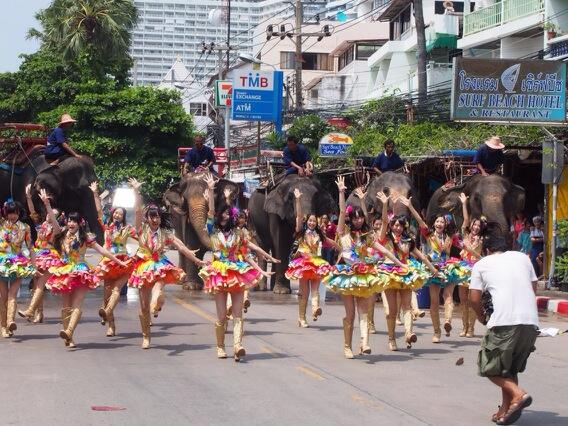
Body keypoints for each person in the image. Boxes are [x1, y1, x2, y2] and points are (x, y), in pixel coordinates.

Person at [199, 174, 279, 361]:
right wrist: (210, 190)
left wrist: (263, 267)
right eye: (223, 214)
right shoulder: (213, 231)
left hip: (236, 271)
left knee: (237, 313)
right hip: (219, 271)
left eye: (229, 213)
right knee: (220, 316)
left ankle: (237, 346)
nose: (226, 216)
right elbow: (210, 212)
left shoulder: (239, 233)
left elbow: (251, 252)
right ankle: (220, 347)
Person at [323, 176, 405, 359]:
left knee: (364, 310)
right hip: (347, 274)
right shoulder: (343, 232)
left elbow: (383, 250)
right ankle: (347, 346)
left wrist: (400, 264)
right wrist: (342, 193)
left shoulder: (368, 236)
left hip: (364, 274)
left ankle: (365, 343)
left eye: (361, 218)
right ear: (351, 219)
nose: (359, 221)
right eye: (356, 218)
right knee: (350, 314)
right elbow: (342, 210)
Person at [43, 190, 127, 348]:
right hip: (64, 270)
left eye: (74, 221)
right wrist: (47, 205)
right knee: (65, 306)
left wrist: (118, 261)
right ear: (67, 222)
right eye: (69, 221)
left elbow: (103, 251)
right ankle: (69, 336)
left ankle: (69, 331)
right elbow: (53, 221)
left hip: (81, 271)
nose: (71, 224)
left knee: (77, 304)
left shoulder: (85, 237)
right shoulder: (61, 234)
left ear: (79, 223)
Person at [469, 234, 538, 425]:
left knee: (488, 367)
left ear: (487, 250)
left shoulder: (482, 264)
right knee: (508, 369)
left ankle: (519, 394)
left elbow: (474, 299)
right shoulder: (523, 258)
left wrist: (482, 317)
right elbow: (533, 288)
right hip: (531, 323)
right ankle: (505, 411)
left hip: (504, 322)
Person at [128, 178, 205, 349]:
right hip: (143, 265)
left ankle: (157, 302)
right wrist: (136, 192)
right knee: (143, 307)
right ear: (147, 219)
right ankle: (146, 335)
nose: (155, 220)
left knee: (158, 287)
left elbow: (182, 247)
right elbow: (137, 211)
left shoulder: (166, 233)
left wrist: (196, 259)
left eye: (157, 217)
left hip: (160, 265)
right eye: (152, 217)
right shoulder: (141, 230)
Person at [377, 193, 438, 350]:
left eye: (400, 225)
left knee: (407, 307)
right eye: (394, 225)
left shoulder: (408, 240)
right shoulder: (386, 239)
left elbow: (422, 257)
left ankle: (409, 333)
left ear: (404, 226)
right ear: (391, 226)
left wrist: (434, 270)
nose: (397, 227)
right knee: (391, 311)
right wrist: (385, 204)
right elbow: (384, 221)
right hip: (389, 274)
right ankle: (391, 339)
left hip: (405, 273)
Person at [409, 206, 470, 343]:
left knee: (448, 296)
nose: (439, 224)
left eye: (442, 222)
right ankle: (437, 332)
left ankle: (448, 320)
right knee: (434, 301)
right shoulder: (429, 235)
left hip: (448, 269)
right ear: (434, 223)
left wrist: (476, 256)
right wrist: (410, 206)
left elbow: (464, 246)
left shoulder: (451, 237)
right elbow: (420, 221)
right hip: (433, 269)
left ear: (445, 224)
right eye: (437, 221)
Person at [90, 182, 138, 337]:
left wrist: (136, 192)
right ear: (112, 214)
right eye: (116, 213)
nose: (118, 215)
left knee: (117, 290)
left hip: (124, 262)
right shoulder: (107, 226)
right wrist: (95, 193)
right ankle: (111, 325)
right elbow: (98, 210)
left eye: (121, 214)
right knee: (106, 296)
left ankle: (108, 312)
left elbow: (138, 217)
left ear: (124, 217)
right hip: (108, 261)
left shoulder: (128, 229)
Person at [286, 188, 336, 327]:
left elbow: (331, 242)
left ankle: (315, 309)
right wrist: (298, 200)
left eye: (314, 221)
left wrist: (342, 248)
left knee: (315, 289)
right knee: (304, 291)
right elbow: (298, 217)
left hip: (316, 262)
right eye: (310, 221)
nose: (312, 223)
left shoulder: (319, 235)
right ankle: (301, 318)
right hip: (303, 263)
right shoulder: (300, 232)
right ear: (306, 221)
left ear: (317, 223)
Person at [18, 185, 64, 323]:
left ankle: (30, 310)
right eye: (49, 214)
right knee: (36, 284)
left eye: (53, 215)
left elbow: (54, 221)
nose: (50, 216)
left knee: (41, 283)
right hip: (38, 256)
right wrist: (28, 197)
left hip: (51, 257)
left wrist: (47, 204)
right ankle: (39, 313)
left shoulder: (57, 229)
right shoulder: (42, 224)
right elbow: (32, 212)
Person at [0, 200, 36, 337]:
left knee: (12, 295)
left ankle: (10, 321)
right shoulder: (1, 224)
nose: (12, 216)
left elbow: (31, 248)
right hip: (2, 262)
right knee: (3, 297)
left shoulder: (25, 227)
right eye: (9, 213)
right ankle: (3, 327)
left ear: (19, 213)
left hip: (18, 263)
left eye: (14, 213)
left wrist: (34, 266)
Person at [458, 193, 486, 338]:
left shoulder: (482, 240)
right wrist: (464, 203)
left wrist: (473, 252)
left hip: (475, 270)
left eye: (478, 226)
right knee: (463, 301)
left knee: (472, 300)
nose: (475, 227)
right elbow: (466, 219)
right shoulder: (465, 235)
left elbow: (482, 258)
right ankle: (464, 327)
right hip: (463, 269)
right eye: (474, 225)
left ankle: (471, 329)